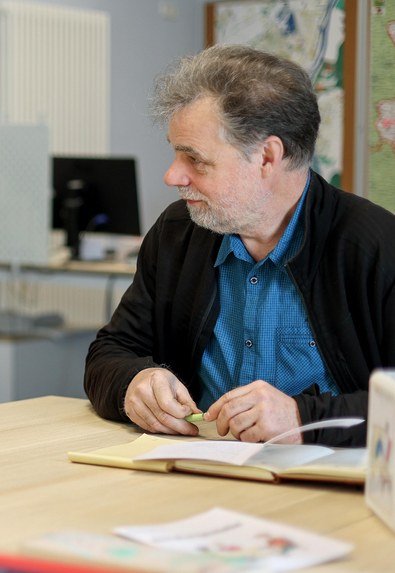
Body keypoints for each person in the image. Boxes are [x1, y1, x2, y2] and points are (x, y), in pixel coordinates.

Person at [85, 45, 395, 447]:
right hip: (195, 471)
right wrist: (133, 384)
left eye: (195, 159)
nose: (172, 175)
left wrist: (302, 417)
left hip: (327, 487)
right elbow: (111, 351)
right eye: (175, 153)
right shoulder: (178, 232)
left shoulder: (375, 247)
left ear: (267, 157)